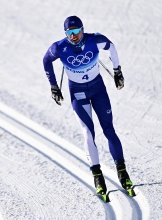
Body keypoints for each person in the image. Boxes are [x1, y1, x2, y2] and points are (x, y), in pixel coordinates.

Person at [42, 15, 134, 198]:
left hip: (98, 89)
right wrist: (53, 85)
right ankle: (98, 176)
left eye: (76, 31)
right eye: (69, 32)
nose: (73, 35)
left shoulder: (94, 39)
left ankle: (122, 172)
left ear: (82, 29)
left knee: (109, 129)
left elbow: (111, 46)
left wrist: (117, 71)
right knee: (88, 132)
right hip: (78, 93)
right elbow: (46, 61)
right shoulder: (59, 48)